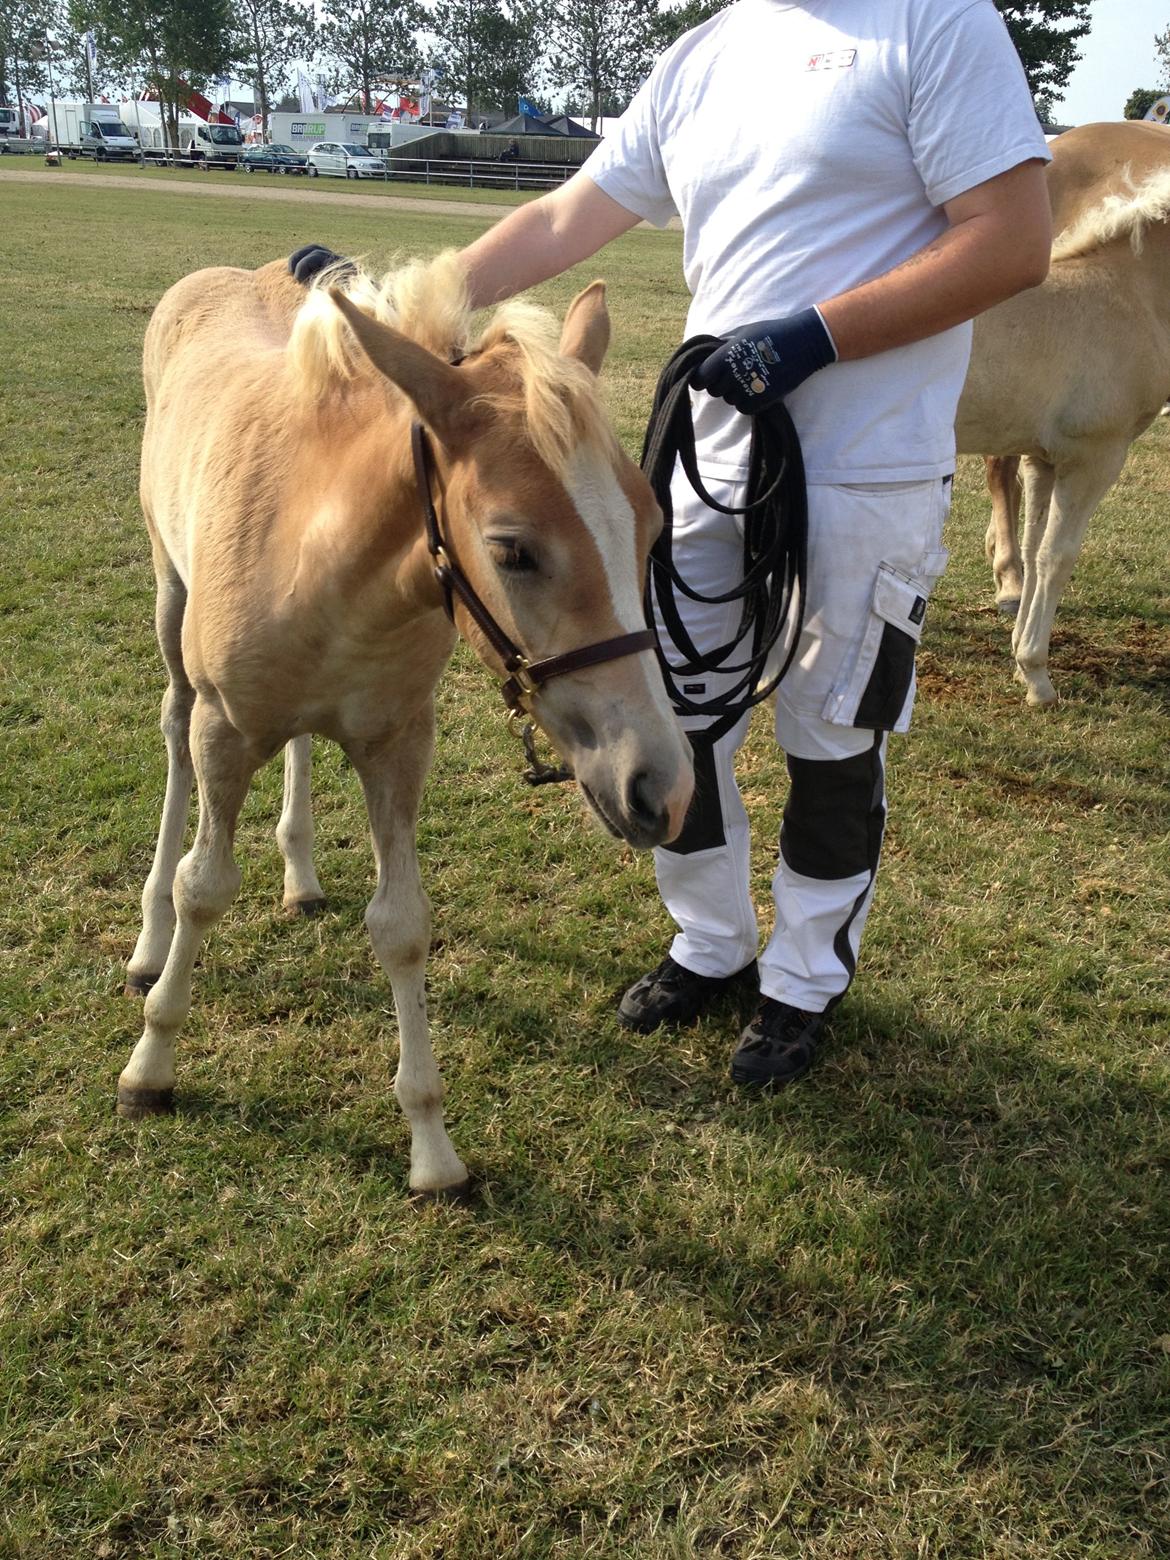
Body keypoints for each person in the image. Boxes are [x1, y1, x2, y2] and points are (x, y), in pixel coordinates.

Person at [295, 0, 1052, 1090]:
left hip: (868, 466)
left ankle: (802, 982)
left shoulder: (934, 23)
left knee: (834, 739)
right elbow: (567, 216)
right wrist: (394, 302)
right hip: (706, 460)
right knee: (675, 707)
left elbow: (1011, 240)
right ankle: (711, 943)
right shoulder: (705, 53)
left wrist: (814, 336)